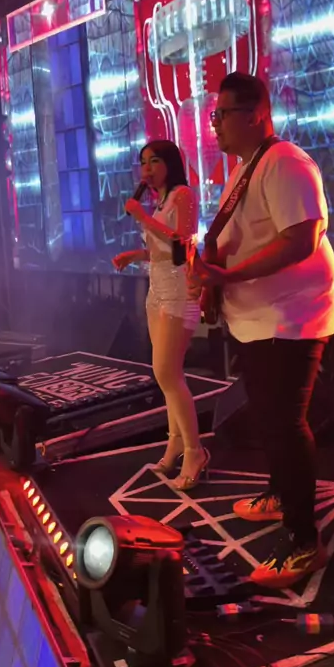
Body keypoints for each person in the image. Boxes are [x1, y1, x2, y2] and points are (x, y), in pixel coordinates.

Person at [188, 71, 334, 588]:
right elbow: (238, 239)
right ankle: (280, 494)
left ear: (255, 115)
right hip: (259, 318)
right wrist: (212, 281)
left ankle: (303, 541)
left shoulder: (285, 162)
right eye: (213, 115)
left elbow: (301, 239)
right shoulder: (246, 168)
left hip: (290, 317)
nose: (214, 124)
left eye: (221, 114)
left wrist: (225, 277)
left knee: (284, 424)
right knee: (271, 419)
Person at [113, 140, 209, 490]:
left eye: (154, 161)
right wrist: (136, 255)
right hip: (156, 291)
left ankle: (195, 451)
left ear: (170, 163)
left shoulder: (183, 195)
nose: (147, 169)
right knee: (166, 376)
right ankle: (175, 444)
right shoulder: (161, 201)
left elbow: (181, 245)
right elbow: (161, 249)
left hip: (179, 292)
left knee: (167, 372)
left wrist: (141, 217)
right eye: (143, 163)